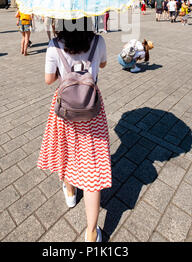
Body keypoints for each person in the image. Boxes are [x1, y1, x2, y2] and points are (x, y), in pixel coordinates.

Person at [37, 18, 111, 243]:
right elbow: (103, 65)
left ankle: (70, 193)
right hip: (92, 111)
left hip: (65, 112)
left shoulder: (54, 45)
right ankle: (91, 232)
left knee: (67, 153)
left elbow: (49, 80)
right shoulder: (98, 41)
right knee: (93, 169)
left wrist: (65, 68)